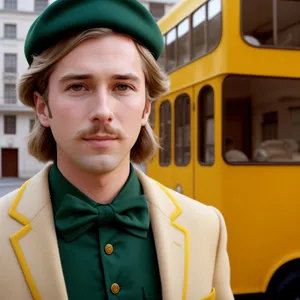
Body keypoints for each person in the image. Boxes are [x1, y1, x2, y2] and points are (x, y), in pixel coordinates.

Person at [0, 1, 234, 299]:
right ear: (43, 108)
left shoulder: (206, 227)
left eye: (122, 87)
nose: (102, 111)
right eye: (78, 87)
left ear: (146, 109)